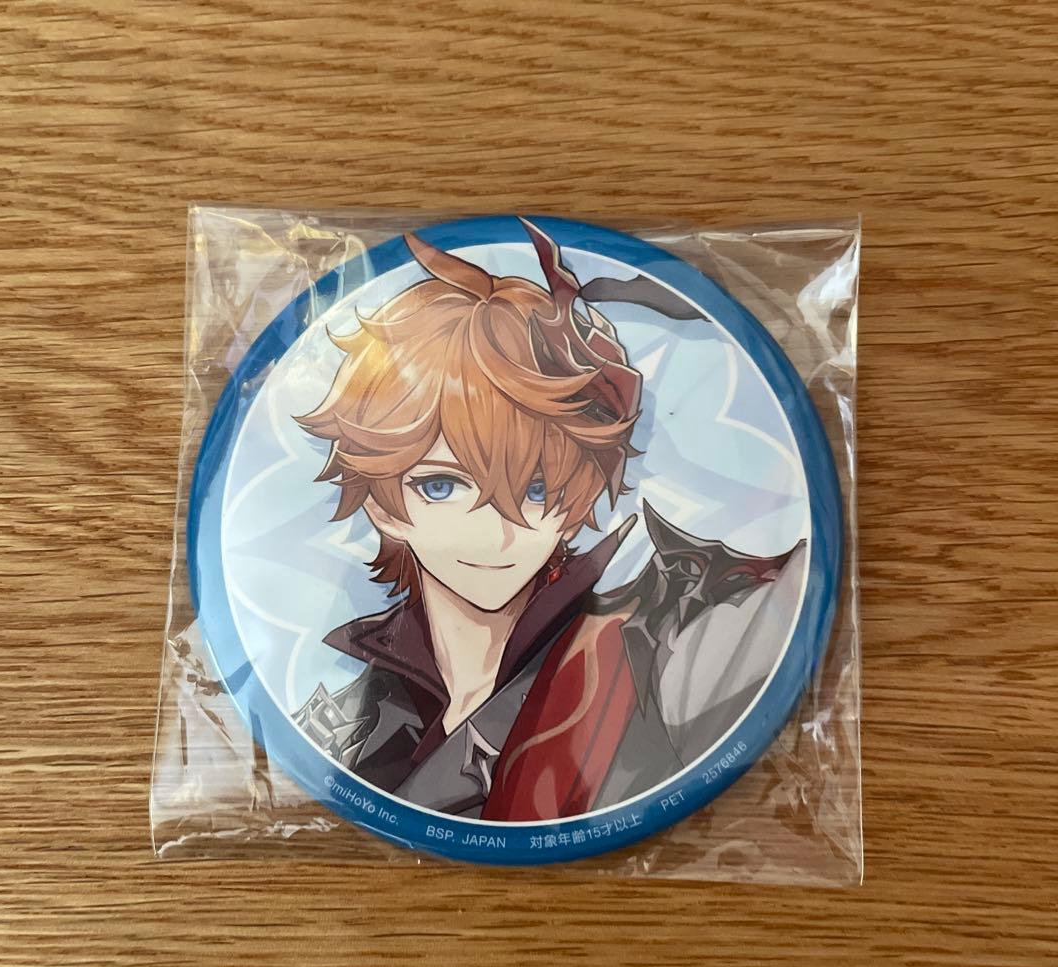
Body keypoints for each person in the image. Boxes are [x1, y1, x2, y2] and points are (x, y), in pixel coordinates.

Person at [291, 219, 805, 822]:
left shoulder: (643, 654)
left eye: (536, 487)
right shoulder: (358, 721)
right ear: (381, 506)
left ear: (578, 497)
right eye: (440, 486)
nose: (496, 532)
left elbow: (775, 614)